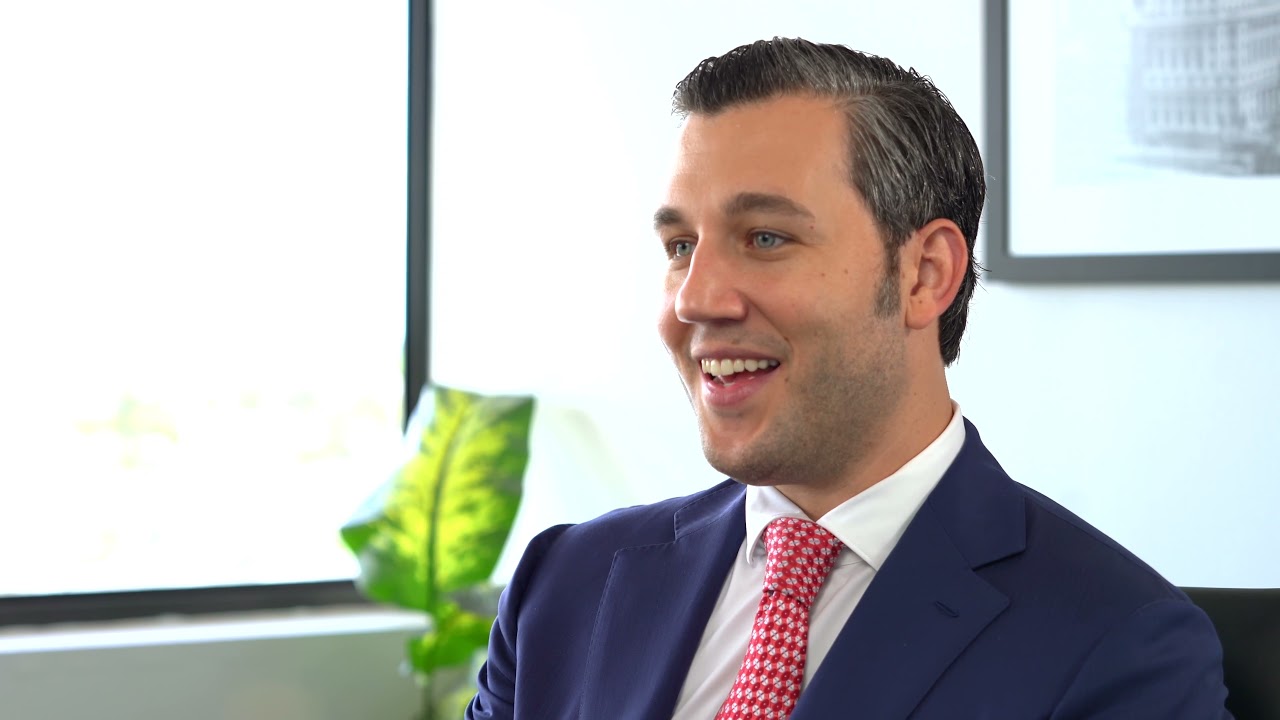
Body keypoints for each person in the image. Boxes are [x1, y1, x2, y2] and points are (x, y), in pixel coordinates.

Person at [466, 38, 1231, 719]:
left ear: (925, 274)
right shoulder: (563, 586)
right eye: (679, 245)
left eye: (765, 238)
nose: (696, 299)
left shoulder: (1117, 646)